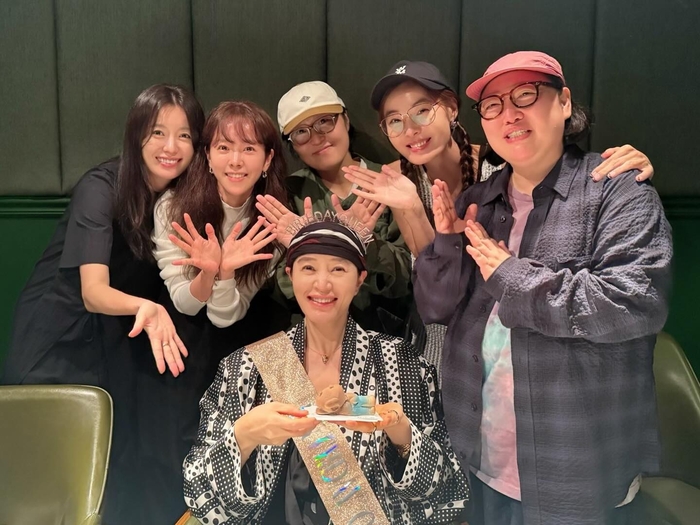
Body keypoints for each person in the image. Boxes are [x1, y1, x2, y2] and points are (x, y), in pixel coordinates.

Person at [413, 51, 673, 525]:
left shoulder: (617, 189)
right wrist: (447, 241)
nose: (509, 114)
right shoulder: (477, 203)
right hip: (478, 453)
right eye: (492, 105)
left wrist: (510, 275)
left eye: (525, 95)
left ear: (564, 102)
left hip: (573, 465)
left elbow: (635, 302)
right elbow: (435, 308)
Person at [342, 60, 657, 374]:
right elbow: (434, 285)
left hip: (528, 328)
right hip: (443, 332)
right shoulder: (396, 181)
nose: (410, 130)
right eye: (394, 121)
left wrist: (631, 169)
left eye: (422, 111)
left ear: (452, 109)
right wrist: (404, 212)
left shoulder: (504, 163)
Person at [0, 84, 206, 523]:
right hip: (59, 338)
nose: (171, 147)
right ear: (136, 134)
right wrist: (149, 309)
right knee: (55, 475)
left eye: (185, 135)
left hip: (116, 339)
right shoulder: (101, 186)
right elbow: (93, 291)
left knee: (120, 462)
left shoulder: (182, 198)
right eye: (157, 132)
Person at [183, 218, 468, 524]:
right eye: (308, 268)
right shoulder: (246, 367)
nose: (322, 284)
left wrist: (401, 434)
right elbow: (198, 492)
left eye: (338, 269)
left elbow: (447, 490)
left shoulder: (400, 363)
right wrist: (244, 435)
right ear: (290, 275)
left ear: (359, 279)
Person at [138, 100, 291, 523]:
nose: (235, 161)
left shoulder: (272, 218)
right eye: (224, 148)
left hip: (253, 333)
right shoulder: (173, 206)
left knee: (269, 452)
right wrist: (211, 272)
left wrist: (224, 274)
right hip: (189, 332)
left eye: (249, 149)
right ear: (207, 156)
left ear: (268, 159)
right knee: (188, 445)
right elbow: (185, 301)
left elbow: (229, 315)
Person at [255, 81, 413, 336]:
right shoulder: (287, 194)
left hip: (381, 337)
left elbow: (409, 278)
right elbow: (275, 290)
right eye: (301, 132)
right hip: (305, 336)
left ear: (345, 120)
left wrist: (366, 243)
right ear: (292, 144)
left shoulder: (388, 182)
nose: (318, 137)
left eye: (325, 121)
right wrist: (304, 246)